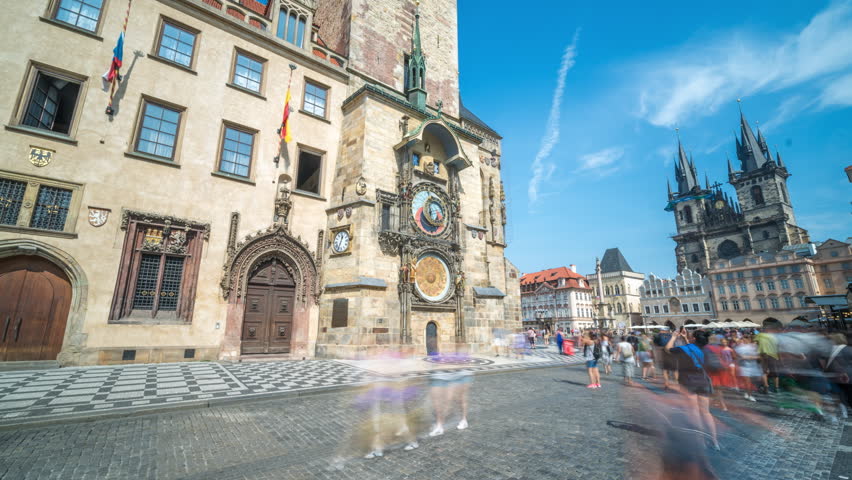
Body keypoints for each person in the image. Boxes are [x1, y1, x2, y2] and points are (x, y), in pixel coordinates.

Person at [665, 328, 719, 450]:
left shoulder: (685, 348)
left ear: (694, 338)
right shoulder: (706, 349)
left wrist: (674, 337)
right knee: (706, 412)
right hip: (703, 381)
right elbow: (693, 350)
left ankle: (701, 441)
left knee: (694, 411)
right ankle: (714, 441)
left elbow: (668, 349)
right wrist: (685, 338)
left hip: (688, 381)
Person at [734, 335, 760, 402]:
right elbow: (738, 356)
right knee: (747, 382)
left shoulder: (754, 347)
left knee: (753, 382)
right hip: (744, 367)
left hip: (753, 367)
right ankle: (749, 395)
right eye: (744, 339)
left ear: (750, 340)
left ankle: (747, 392)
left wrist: (749, 357)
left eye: (747, 339)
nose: (746, 340)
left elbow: (759, 356)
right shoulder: (739, 348)